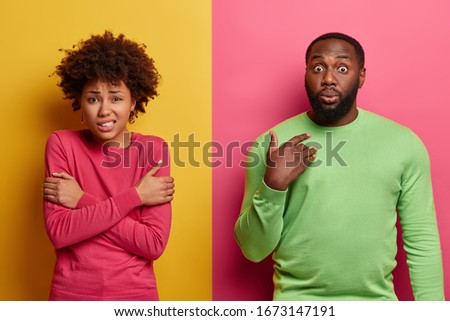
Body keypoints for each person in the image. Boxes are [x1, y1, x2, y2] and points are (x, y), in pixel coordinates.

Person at [234, 32, 444, 300]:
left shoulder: (403, 143)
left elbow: (422, 241)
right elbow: (253, 250)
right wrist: (272, 185)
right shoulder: (271, 143)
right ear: (306, 75)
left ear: (362, 76)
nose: (329, 79)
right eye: (318, 68)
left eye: (342, 68)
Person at [42, 31, 174, 300]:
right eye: (93, 99)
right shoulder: (61, 144)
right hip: (71, 296)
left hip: (135, 298)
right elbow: (60, 232)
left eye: (116, 98)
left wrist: (80, 201)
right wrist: (135, 197)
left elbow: (152, 244)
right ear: (80, 101)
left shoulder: (153, 150)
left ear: (133, 102)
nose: (104, 110)